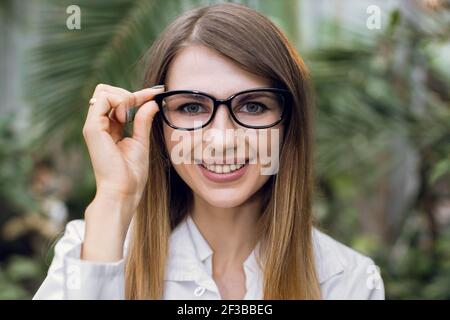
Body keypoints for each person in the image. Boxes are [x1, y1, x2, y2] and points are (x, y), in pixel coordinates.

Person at [34, 3, 384, 300]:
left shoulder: (349, 281)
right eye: (191, 108)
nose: (221, 140)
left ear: (287, 122)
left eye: (252, 107)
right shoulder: (90, 250)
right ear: (158, 122)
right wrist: (114, 197)